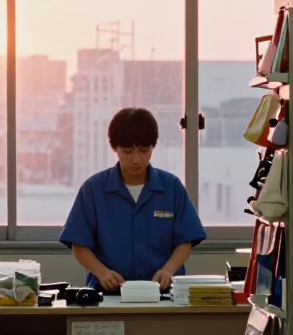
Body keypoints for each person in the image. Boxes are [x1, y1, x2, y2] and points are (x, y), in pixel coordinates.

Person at [60, 107, 206, 292]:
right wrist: (102, 273)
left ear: (153, 146)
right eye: (127, 151)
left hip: (164, 294)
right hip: (108, 295)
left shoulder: (172, 187)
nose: (136, 159)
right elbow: (78, 244)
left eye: (144, 150)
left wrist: (168, 270)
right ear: (115, 147)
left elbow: (186, 241)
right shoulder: (93, 190)